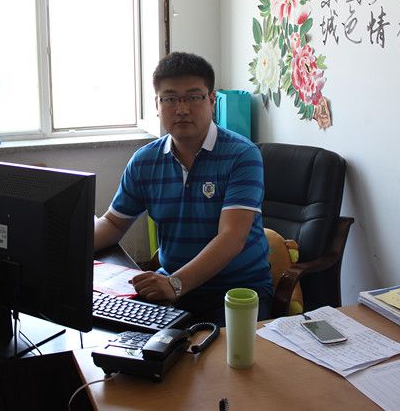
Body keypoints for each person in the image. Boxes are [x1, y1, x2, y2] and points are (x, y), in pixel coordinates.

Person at [94, 52, 273, 325]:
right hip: (173, 286)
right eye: (170, 99)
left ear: (212, 101)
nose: (181, 109)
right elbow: (113, 223)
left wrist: (176, 284)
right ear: (157, 104)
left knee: (218, 351)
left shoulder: (242, 155)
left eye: (193, 97)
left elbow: (232, 238)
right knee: (116, 335)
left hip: (237, 290)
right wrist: (65, 246)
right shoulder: (144, 161)